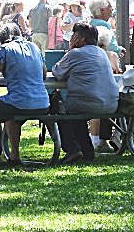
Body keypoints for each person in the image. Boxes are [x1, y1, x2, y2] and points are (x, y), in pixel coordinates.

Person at [0, 24, 50, 166]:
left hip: (19, 102)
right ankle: (14, 156)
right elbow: (43, 74)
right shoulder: (34, 47)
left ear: (2, 39)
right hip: (43, 103)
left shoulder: (5, 49)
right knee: (10, 117)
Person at [52, 23, 119, 164]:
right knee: (76, 110)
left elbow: (57, 73)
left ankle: (72, 149)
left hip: (87, 103)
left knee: (58, 106)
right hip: (111, 104)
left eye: (73, 35)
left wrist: (70, 50)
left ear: (80, 39)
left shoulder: (75, 53)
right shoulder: (101, 53)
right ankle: (87, 150)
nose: (71, 38)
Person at [89, 25, 122, 153]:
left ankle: (97, 141)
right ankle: (116, 136)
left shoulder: (87, 55)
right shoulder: (111, 56)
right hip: (110, 96)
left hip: (91, 95)